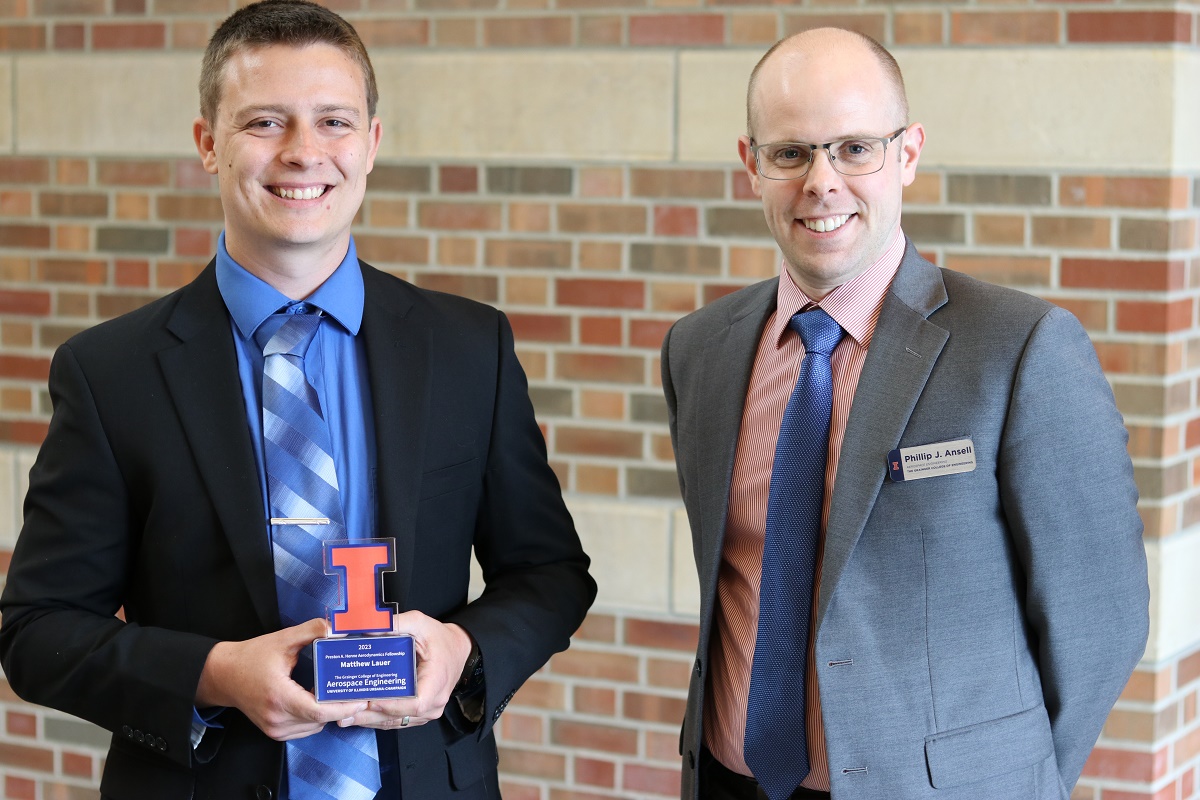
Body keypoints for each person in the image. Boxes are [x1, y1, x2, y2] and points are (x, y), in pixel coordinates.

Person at [0, 2, 596, 798]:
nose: (303, 153)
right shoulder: (111, 373)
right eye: (265, 123)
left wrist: (464, 651)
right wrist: (213, 673)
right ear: (209, 144)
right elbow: (37, 632)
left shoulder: (467, 349)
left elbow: (551, 572)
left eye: (333, 122)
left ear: (373, 143)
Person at [661, 28, 1148, 800]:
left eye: (855, 148)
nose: (822, 182)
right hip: (729, 781)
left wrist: (1004, 778)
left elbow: (1101, 623)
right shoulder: (700, 352)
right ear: (751, 165)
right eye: (791, 153)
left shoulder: (1020, 351)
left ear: (908, 154)